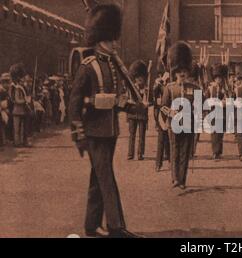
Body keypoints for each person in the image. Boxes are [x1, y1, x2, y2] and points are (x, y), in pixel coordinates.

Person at [69, 3, 140, 238]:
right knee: (106, 178)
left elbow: (116, 100)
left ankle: (91, 226)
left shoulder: (110, 64)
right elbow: (75, 104)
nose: (114, 44)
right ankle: (116, 227)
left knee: (97, 178)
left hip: (110, 131)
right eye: (111, 40)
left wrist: (132, 105)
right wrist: (79, 134)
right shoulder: (87, 67)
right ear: (100, 39)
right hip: (93, 133)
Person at [161, 41, 201, 190]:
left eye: (184, 71)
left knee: (185, 153)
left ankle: (182, 180)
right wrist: (171, 112)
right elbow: (163, 107)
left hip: (188, 124)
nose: (182, 74)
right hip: (174, 124)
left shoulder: (195, 88)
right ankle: (175, 178)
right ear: (175, 72)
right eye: (179, 71)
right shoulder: (170, 88)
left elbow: (200, 105)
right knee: (174, 151)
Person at [127, 60, 149, 161]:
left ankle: (140, 154)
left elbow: (150, 101)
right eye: (138, 78)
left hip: (142, 115)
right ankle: (130, 154)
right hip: (132, 114)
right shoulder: (131, 89)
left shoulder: (147, 90)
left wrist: (146, 97)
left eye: (141, 77)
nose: (140, 79)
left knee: (141, 136)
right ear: (135, 78)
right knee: (132, 135)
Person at [205, 64, 228, 160]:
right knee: (214, 133)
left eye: (220, 78)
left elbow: (228, 98)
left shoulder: (225, 88)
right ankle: (215, 152)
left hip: (222, 112)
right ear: (214, 79)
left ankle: (219, 151)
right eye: (217, 78)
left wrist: (225, 102)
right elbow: (206, 100)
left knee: (220, 133)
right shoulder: (210, 88)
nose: (219, 80)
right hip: (213, 112)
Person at [10, 63, 31, 148]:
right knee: (17, 128)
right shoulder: (17, 88)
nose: (24, 81)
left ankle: (22, 142)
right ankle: (17, 142)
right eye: (22, 80)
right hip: (17, 110)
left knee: (23, 128)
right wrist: (25, 100)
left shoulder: (23, 88)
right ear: (19, 80)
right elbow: (17, 100)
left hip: (23, 111)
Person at [153, 71, 171, 172]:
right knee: (161, 141)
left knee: (169, 141)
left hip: (170, 116)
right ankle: (158, 164)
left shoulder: (172, 87)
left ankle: (170, 161)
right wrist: (157, 83)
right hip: (161, 116)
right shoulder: (159, 88)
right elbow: (156, 101)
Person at [0, 73, 12, 147]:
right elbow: (4, 104)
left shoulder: (5, 91)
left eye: (7, 82)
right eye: (5, 82)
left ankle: (4, 141)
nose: (7, 84)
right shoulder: (2, 91)